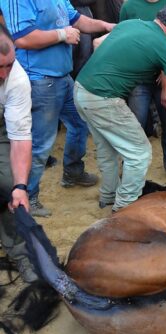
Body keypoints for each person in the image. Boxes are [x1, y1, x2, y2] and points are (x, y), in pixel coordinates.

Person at [73, 3, 166, 212]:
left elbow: (98, 43)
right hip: (103, 98)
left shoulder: (131, 24)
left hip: (81, 89)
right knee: (139, 153)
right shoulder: (164, 46)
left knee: (106, 149)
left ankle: (108, 196)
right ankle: (124, 208)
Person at [0, 0, 115, 217]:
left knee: (80, 124)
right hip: (39, 79)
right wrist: (62, 35)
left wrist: (105, 25)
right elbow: (22, 38)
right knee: (41, 144)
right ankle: (29, 196)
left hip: (62, 76)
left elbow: (77, 20)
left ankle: (73, 171)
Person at [119, 0, 166, 182]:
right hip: (138, 78)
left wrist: (165, 82)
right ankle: (129, 166)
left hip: (165, 75)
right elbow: (123, 38)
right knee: (135, 126)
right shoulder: (129, 7)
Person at [0, 24, 36, 282]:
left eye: (9, 64)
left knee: (8, 186)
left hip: (2, 128)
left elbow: (19, 137)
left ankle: (20, 252)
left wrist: (20, 187)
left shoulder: (18, 80)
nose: (4, 74)